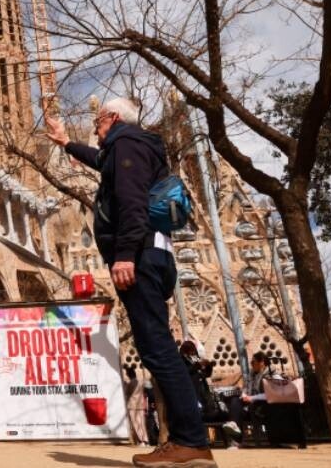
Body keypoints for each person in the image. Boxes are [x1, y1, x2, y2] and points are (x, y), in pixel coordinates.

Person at [46, 100, 215, 467]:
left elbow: (132, 201)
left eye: (97, 122)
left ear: (113, 118)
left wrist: (124, 254)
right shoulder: (129, 146)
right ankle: (187, 441)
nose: (95, 128)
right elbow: (103, 163)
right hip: (152, 254)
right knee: (155, 346)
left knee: (157, 348)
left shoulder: (127, 144)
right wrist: (65, 144)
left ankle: (190, 441)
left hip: (140, 257)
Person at [226, 351, 277, 446]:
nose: (251, 364)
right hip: (250, 403)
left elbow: (270, 394)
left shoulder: (271, 374)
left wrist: (252, 398)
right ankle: (234, 428)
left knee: (238, 408)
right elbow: (246, 388)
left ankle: (235, 439)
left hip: (264, 405)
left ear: (262, 362)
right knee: (235, 401)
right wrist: (244, 395)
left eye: (253, 362)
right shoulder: (251, 375)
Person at [124, 367, 149, 446]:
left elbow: (126, 393)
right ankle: (145, 440)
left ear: (129, 374)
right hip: (140, 404)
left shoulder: (131, 383)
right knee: (142, 423)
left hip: (132, 405)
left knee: (136, 423)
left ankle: (141, 440)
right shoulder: (141, 382)